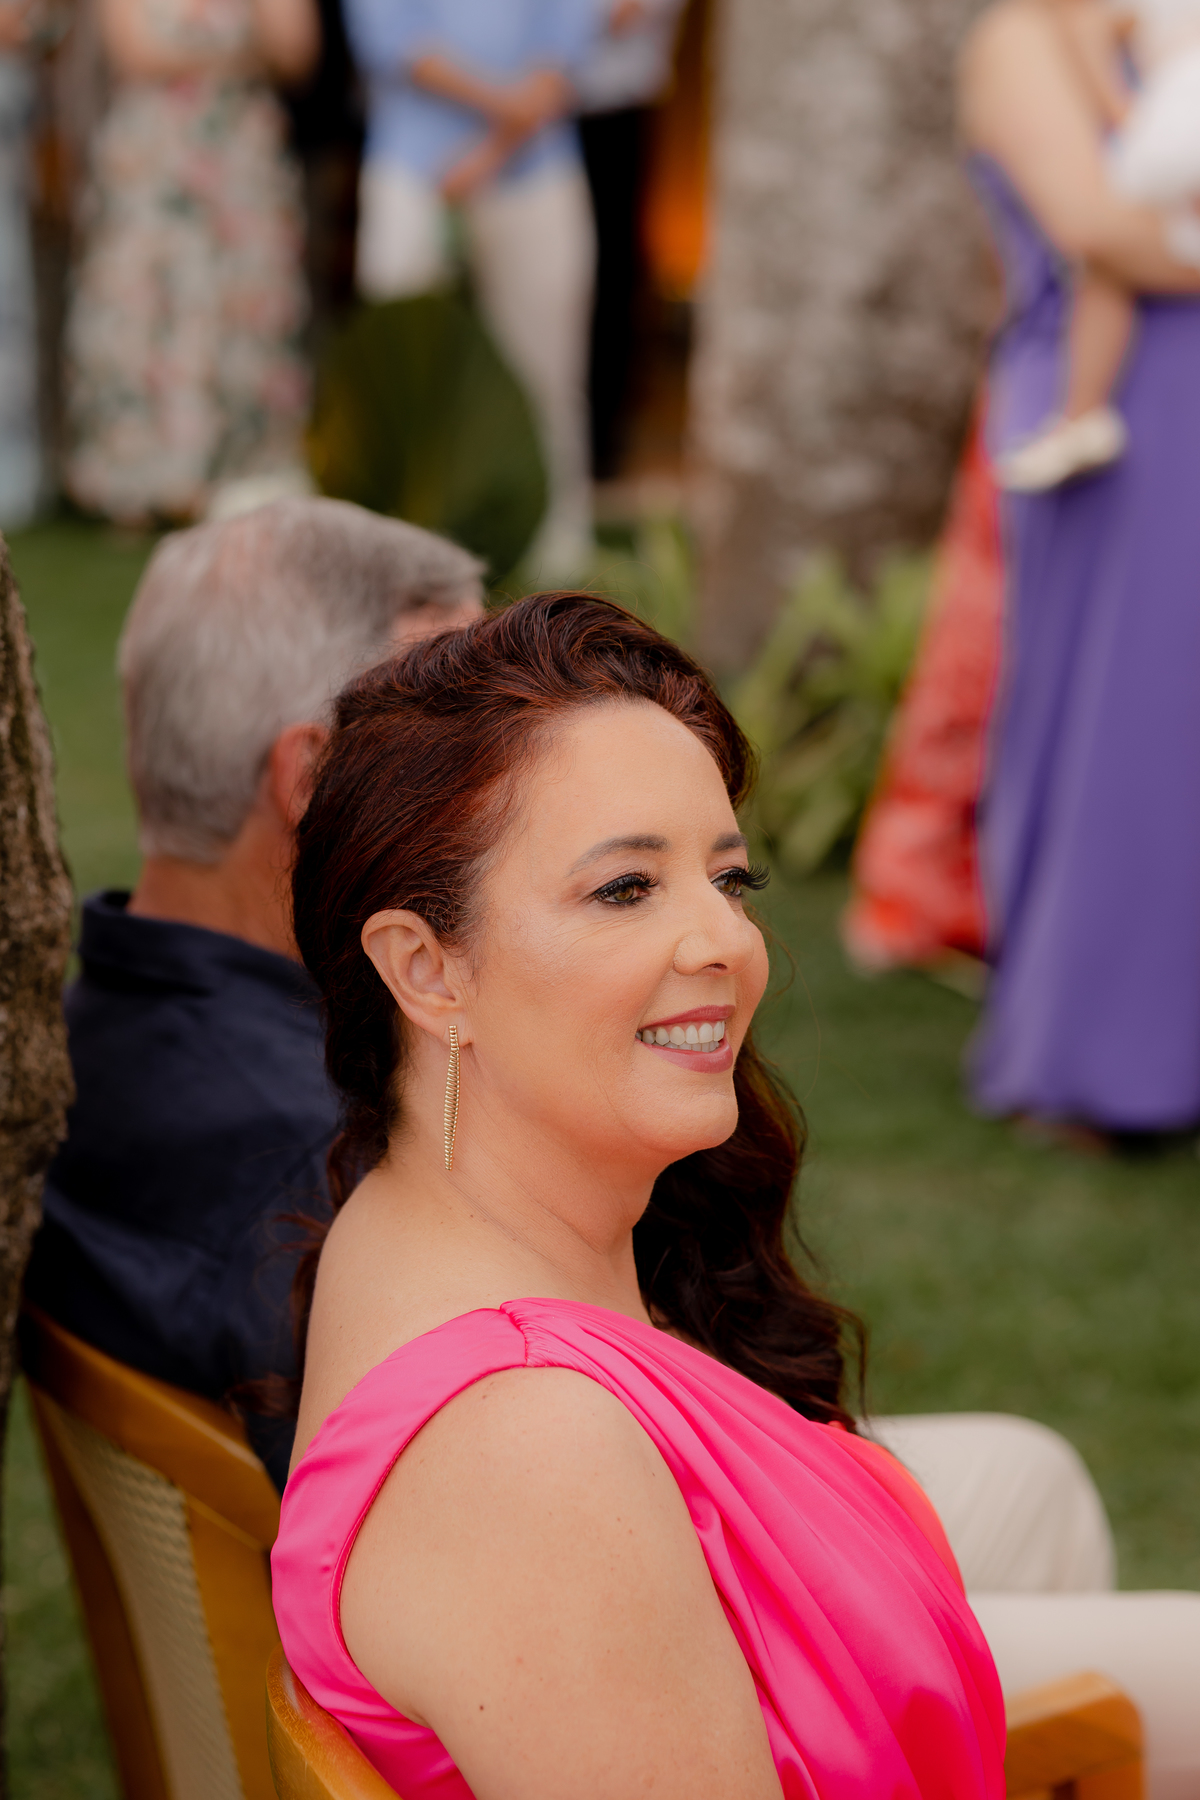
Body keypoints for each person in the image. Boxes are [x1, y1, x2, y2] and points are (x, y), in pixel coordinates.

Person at [272, 591, 1008, 1797]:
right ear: (426, 969)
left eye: (730, 879)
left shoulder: (419, 1218)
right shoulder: (526, 1457)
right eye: (626, 889)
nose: (725, 942)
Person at [23, 499, 484, 1489]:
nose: (503, 795)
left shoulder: (76, 1043)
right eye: (462, 755)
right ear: (315, 784)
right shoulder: (337, 1162)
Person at [960, 0, 1200, 1141]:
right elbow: (1100, 223)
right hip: (1120, 423)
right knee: (1134, 726)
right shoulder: (1017, 40)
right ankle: (1101, 1059)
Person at [342, 0, 600, 579]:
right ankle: (395, 548)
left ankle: (557, 545)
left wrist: (494, 148)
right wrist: (505, 113)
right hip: (414, 166)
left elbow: (571, 32)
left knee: (547, 364)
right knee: (400, 370)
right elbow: (390, 37)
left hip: (537, 164)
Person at [64, 0, 320, 526]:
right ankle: (140, 484)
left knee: (243, 304)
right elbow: (136, 54)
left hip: (240, 155)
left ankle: (243, 475)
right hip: (155, 155)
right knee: (146, 307)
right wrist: (240, 55)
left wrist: (212, 49)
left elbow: (297, 52)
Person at [998, 0, 1200, 490]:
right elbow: (1091, 232)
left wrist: (1123, 115)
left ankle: (1083, 413)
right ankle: (1083, 414)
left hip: (1173, 127)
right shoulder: (1021, 36)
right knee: (1106, 266)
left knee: (1104, 270)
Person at [575, 0, 687, 478]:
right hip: (503, 108)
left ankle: (600, 441)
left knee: (610, 270)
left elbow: (627, 13)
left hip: (609, 101)